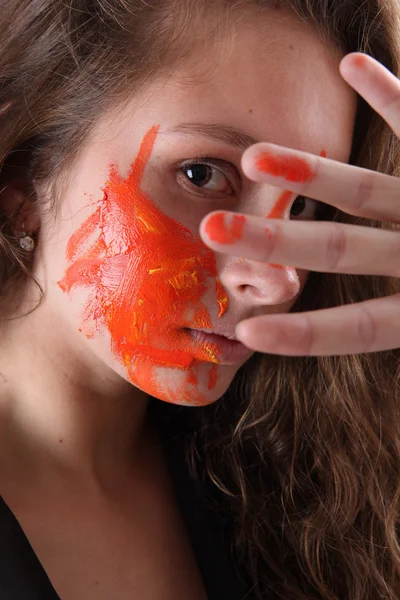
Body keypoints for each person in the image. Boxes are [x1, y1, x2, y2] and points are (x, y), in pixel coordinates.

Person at [0, 0, 399, 598]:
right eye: (201, 175)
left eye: (304, 206)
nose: (278, 280)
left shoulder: (315, 483)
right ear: (24, 176)